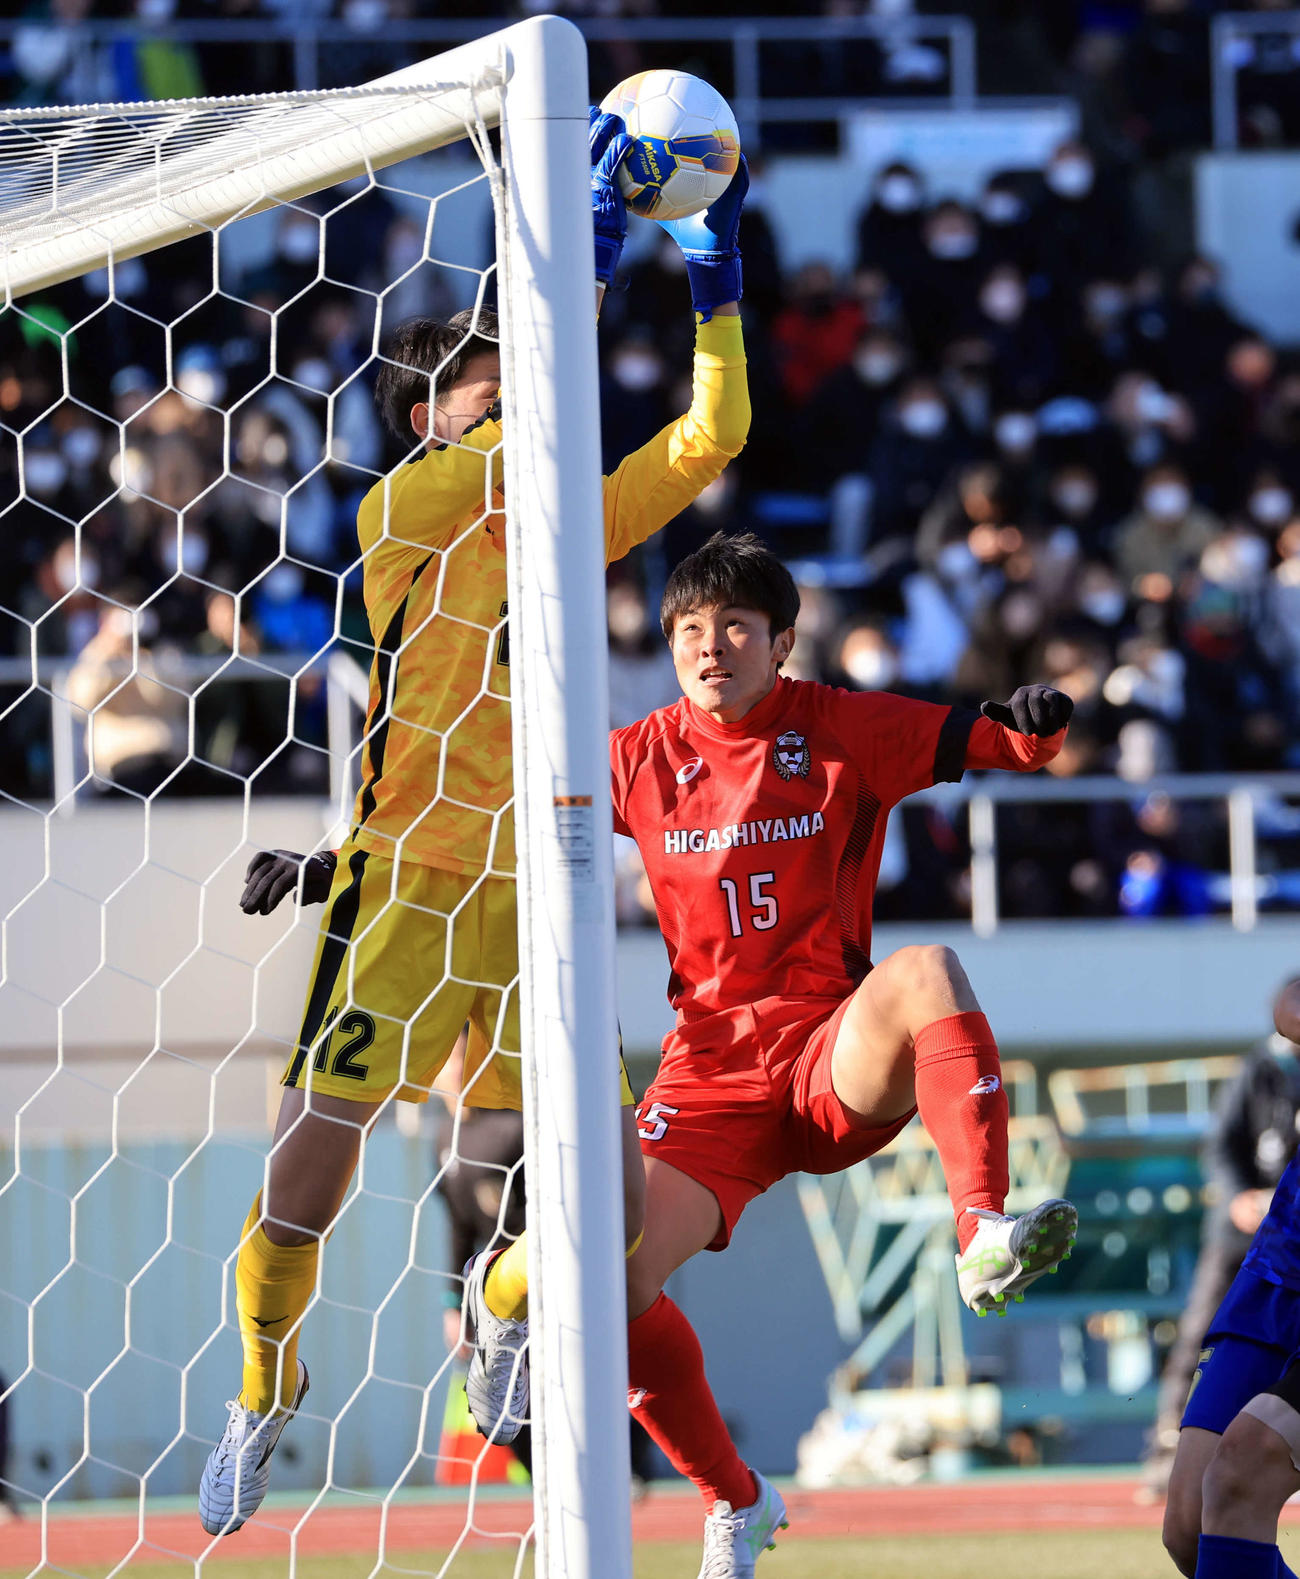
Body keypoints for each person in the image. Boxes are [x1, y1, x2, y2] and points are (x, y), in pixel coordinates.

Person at [198, 111, 752, 1535]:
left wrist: (713, 285)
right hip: (409, 878)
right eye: (488, 387)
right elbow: (534, 440)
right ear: (436, 415)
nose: (516, 402)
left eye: (518, 378)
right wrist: (577, 268)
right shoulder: (404, 510)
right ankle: (263, 1385)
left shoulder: (568, 516)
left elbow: (713, 436)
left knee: (606, 1211)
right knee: (308, 1169)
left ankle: (501, 1313)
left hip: (543, 882)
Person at [611, 532, 1078, 1576]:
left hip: (830, 1054)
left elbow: (995, 740)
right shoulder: (634, 757)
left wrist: (1036, 721)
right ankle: (738, 1501)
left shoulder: (837, 727)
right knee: (605, 1289)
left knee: (923, 967)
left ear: (782, 641)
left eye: (735, 626)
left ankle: (981, 1232)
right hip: (708, 1081)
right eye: (690, 627)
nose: (709, 646)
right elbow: (478, 828)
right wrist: (341, 868)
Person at [1139, 976, 1300, 1500]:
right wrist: (1239, 1197)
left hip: (1292, 1236)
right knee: (1199, 1336)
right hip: (1241, 1235)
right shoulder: (1258, 1067)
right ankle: (1167, 1452)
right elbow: (1220, 1146)